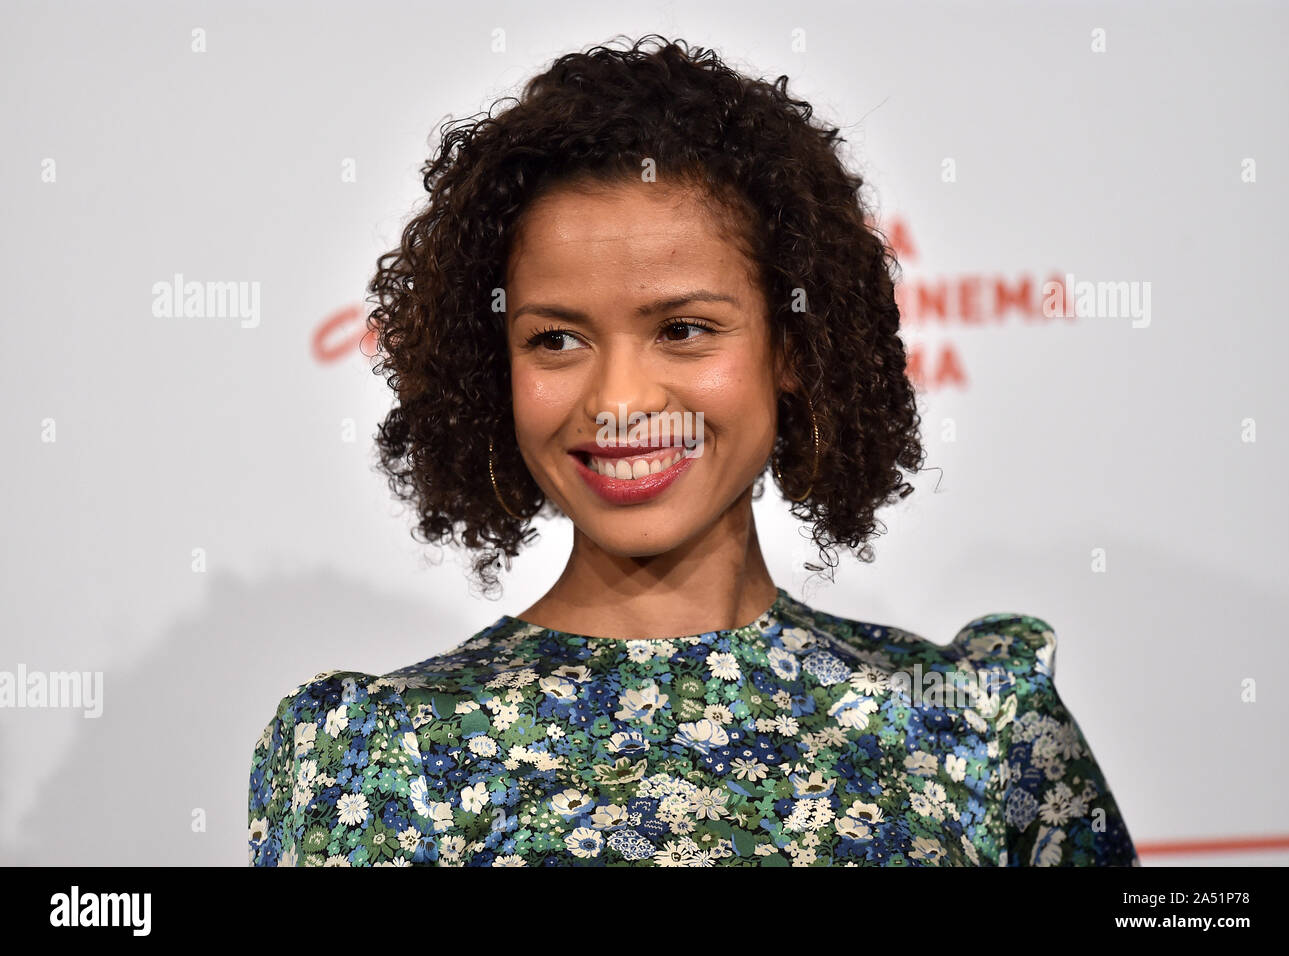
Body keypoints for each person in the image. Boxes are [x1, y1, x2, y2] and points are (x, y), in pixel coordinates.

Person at [247, 34, 1138, 867]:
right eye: (556, 340)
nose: (621, 401)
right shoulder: (373, 757)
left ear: (792, 347)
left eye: (682, 329)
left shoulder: (977, 727)